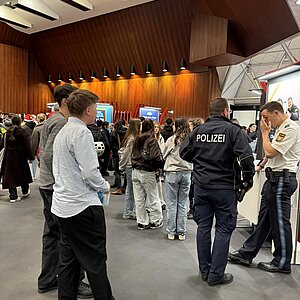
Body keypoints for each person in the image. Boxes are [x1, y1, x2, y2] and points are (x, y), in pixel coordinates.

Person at [180, 97, 255, 286]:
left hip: (202, 188)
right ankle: (216, 275)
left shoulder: (198, 131)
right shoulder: (233, 131)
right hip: (224, 189)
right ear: (225, 112)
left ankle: (205, 271)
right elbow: (246, 157)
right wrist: (247, 179)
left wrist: (200, 162)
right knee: (223, 229)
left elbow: (183, 152)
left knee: (203, 228)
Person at [51, 89, 113, 300]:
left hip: (62, 207)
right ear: (88, 109)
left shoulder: (64, 131)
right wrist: (104, 185)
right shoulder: (81, 133)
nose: (96, 111)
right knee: (95, 261)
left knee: (68, 261)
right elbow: (89, 172)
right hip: (82, 208)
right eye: (95, 107)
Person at [228, 101, 300, 274]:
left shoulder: (290, 128)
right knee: (264, 220)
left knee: (280, 223)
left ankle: (282, 262)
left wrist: (265, 133)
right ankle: (247, 253)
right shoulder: (282, 128)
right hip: (274, 179)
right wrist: (259, 167)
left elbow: (270, 151)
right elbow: (271, 155)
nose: (264, 122)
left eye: (266, 117)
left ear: (277, 113)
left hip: (282, 179)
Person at [38, 84, 92, 298]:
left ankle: (48, 278)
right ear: (64, 101)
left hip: (48, 185)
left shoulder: (53, 119)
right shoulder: (62, 123)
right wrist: (64, 183)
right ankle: (73, 281)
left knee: (53, 234)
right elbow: (50, 156)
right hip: (55, 188)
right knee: (70, 237)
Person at [163, 117, 193, 240]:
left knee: (171, 203)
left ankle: (171, 231)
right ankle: (181, 232)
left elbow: (164, 154)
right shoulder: (191, 140)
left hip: (172, 173)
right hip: (186, 173)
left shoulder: (172, 140)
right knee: (183, 203)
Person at [131, 118, 164, 230]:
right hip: (148, 171)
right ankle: (155, 220)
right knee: (153, 196)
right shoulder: (152, 140)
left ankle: (142, 222)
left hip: (135, 171)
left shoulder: (136, 139)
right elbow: (155, 157)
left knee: (139, 198)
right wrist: (159, 165)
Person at [0, 115, 33, 202]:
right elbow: (27, 146)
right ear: (20, 121)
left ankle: (13, 196)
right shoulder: (22, 132)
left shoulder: (7, 133)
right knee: (23, 173)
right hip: (20, 156)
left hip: (8, 156)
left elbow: (1, 145)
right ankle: (25, 190)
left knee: (10, 175)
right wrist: (30, 157)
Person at [118, 118, 141, 219]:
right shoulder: (133, 139)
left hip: (130, 166)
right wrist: (121, 165)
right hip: (131, 166)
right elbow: (127, 153)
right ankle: (129, 212)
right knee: (132, 190)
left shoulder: (130, 138)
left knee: (130, 190)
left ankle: (129, 211)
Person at [30, 113, 47, 179]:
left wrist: (31, 155)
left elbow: (34, 142)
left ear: (38, 119)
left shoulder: (37, 129)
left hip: (40, 150)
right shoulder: (48, 127)